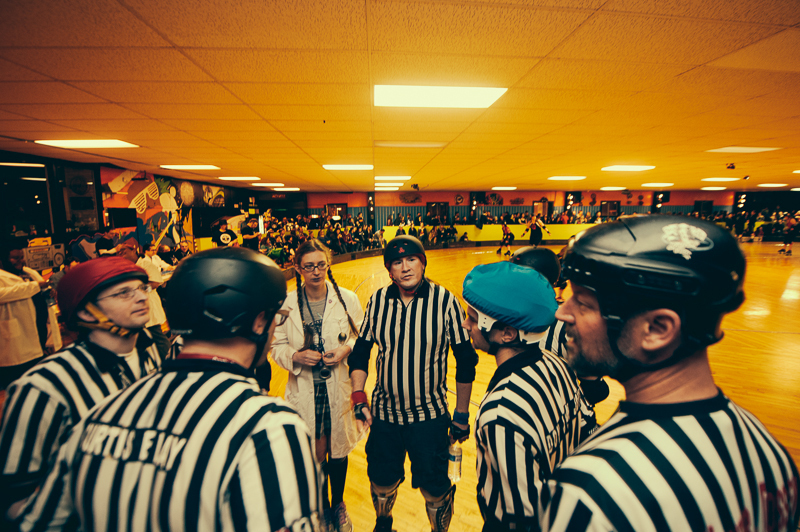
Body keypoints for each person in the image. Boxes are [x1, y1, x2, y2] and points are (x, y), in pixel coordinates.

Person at [17, 247, 326, 532]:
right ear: (260, 322)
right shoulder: (267, 426)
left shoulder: (101, 413)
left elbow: (36, 522)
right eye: (276, 318)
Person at [540, 215, 800, 532]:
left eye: (581, 302)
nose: (561, 312)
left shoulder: (591, 489)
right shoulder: (768, 451)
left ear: (657, 330)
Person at [0, 256, 161, 523]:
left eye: (142, 288)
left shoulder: (149, 353)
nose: (142, 297)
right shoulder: (44, 385)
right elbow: (14, 489)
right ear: (86, 312)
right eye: (123, 293)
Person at [349, 235, 478, 532]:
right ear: (389, 269)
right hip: (384, 415)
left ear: (422, 262)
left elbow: (466, 360)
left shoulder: (445, 301)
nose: (405, 268)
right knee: (381, 480)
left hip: (429, 417)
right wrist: (358, 395)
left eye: (411, 260)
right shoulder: (379, 300)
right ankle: (384, 522)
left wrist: (460, 416)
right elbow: (361, 352)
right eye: (397, 262)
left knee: (434, 487)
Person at [462, 261, 593, 532]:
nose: (466, 325)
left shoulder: (500, 413)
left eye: (473, 318)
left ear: (508, 333)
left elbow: (522, 518)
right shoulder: (556, 363)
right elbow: (587, 431)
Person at [272, 239, 364, 532]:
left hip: (337, 387)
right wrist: (296, 356)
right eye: (309, 266)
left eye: (321, 265)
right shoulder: (287, 303)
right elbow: (276, 345)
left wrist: (345, 350)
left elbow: (359, 336)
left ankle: (338, 505)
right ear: (298, 268)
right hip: (305, 388)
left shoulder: (347, 298)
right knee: (316, 453)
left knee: (339, 450)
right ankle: (322, 507)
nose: (316, 272)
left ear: (328, 264)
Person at [2, 240, 61, 354]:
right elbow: (4, 294)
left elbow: (38, 292)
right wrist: (35, 286)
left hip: (40, 332)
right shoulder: (2, 277)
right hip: (17, 339)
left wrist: (48, 292)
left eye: (22, 257)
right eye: (16, 258)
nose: (22, 261)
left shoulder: (29, 273)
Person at [116, 240, 170, 359]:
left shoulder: (146, 265)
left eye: (124, 251)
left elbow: (155, 283)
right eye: (119, 252)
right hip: (135, 309)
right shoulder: (127, 267)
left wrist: (136, 290)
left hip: (149, 305)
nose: (121, 254)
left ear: (134, 250)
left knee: (157, 336)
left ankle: (169, 360)